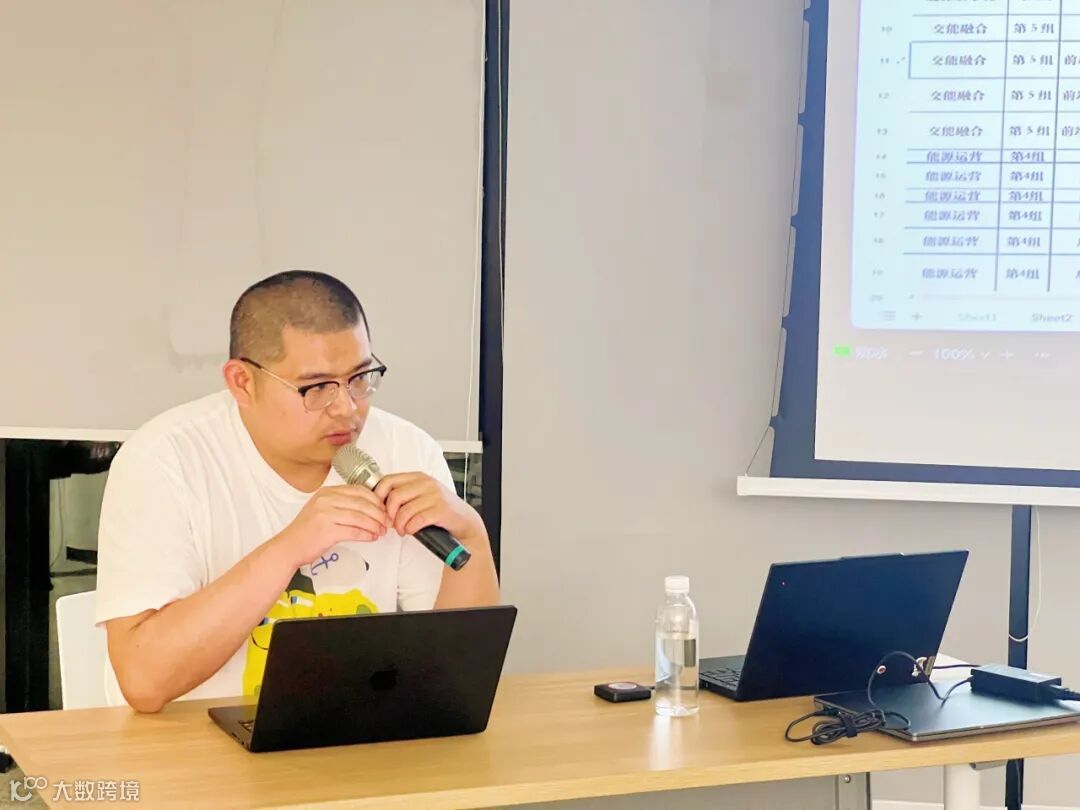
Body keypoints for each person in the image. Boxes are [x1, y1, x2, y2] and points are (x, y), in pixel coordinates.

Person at [94, 270, 500, 712]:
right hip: (193, 741)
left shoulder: (407, 450)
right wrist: (290, 548)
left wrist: (471, 533)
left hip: (354, 733)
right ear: (242, 382)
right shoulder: (163, 460)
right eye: (317, 388)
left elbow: (454, 680)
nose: (347, 408)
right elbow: (144, 682)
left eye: (361, 378)